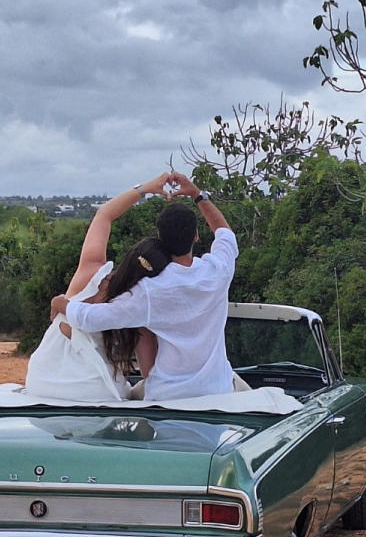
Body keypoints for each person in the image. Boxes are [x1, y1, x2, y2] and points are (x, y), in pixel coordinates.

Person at [53, 172, 237, 401]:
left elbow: (91, 319)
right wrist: (198, 195)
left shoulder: (150, 290)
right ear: (196, 236)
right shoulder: (218, 271)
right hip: (217, 395)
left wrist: (62, 304)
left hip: (168, 398)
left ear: (159, 238)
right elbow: (225, 233)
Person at [24, 174, 171, 400]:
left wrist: (147, 188)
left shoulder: (90, 274)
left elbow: (104, 214)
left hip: (42, 382)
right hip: (96, 392)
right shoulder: (140, 306)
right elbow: (150, 374)